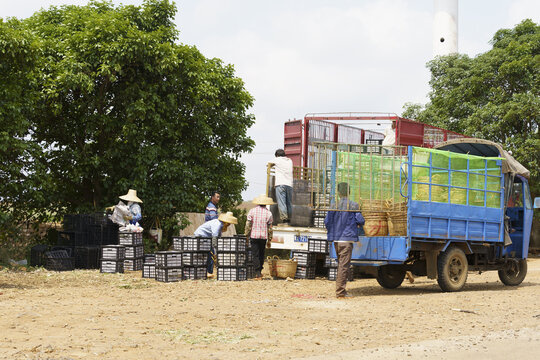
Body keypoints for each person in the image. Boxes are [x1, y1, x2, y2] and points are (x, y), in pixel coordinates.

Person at [325, 182, 365, 298]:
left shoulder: (333, 205)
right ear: (349, 192)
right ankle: (340, 292)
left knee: (341, 265)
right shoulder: (353, 205)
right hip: (347, 240)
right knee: (343, 267)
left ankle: (340, 290)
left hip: (336, 241)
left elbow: (327, 222)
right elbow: (361, 221)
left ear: (338, 193)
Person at [193, 211, 238, 278]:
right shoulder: (218, 224)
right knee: (211, 254)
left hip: (206, 237)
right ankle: (209, 272)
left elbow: (219, 237)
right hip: (201, 236)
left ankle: (209, 272)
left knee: (210, 254)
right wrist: (216, 249)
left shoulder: (220, 224)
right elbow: (214, 236)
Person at [245, 195, 274, 280]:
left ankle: (257, 273)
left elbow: (248, 225)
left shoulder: (252, 211)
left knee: (255, 254)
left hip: (254, 236)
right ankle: (259, 271)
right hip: (263, 236)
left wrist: (246, 235)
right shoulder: (269, 213)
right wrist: (269, 240)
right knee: (261, 254)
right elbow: (270, 228)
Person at [268, 149, 293, 224]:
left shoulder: (277, 160)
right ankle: (289, 219)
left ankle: (284, 219)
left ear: (277, 155)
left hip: (280, 183)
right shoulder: (289, 161)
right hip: (289, 184)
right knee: (289, 202)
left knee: (282, 202)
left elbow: (268, 163)